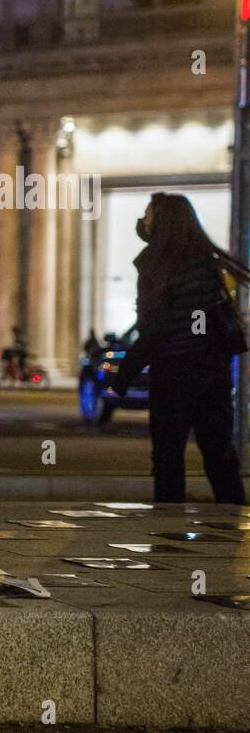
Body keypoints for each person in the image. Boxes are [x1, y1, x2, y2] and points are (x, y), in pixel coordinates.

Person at [115, 193, 248, 504]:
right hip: (213, 370)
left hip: (175, 371)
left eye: (147, 214)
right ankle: (233, 521)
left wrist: (124, 374)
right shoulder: (206, 263)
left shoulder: (157, 265)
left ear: (161, 221)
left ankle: (169, 527)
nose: (143, 221)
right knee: (219, 452)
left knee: (168, 454)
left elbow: (154, 329)